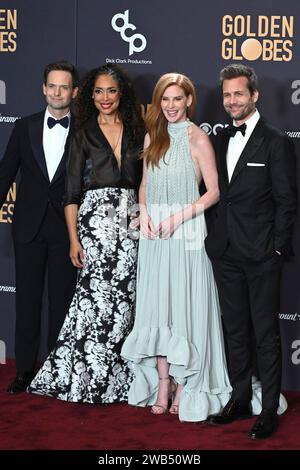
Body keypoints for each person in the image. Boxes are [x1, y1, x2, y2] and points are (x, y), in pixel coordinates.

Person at [28, 64, 145, 403]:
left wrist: (142, 212)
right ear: (89, 96)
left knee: (124, 303)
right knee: (94, 302)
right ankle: (88, 379)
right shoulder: (82, 133)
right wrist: (74, 239)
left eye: (110, 90)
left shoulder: (137, 130)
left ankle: (123, 382)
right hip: (94, 223)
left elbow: (146, 180)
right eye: (98, 91)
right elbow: (71, 194)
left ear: (120, 93)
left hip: (131, 222)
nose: (104, 98)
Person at [121, 72, 232, 422]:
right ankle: (164, 384)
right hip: (155, 238)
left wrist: (176, 218)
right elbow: (143, 186)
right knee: (158, 313)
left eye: (177, 99)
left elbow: (213, 192)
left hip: (185, 235)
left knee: (184, 312)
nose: (170, 106)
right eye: (164, 100)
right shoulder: (154, 136)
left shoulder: (198, 138)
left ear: (188, 101)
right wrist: (146, 216)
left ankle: (186, 387)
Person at [205, 64, 297, 439]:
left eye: (238, 94)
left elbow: (287, 201)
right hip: (225, 251)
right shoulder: (221, 139)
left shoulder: (276, 142)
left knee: (265, 333)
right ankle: (240, 398)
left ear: (254, 96)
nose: (231, 101)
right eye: (227, 95)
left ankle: (269, 410)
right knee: (235, 330)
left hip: (261, 255)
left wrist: (275, 249)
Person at [0, 60, 79, 394]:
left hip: (67, 230)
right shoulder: (24, 127)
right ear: (44, 89)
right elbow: (5, 173)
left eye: (65, 87)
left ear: (74, 92)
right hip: (28, 228)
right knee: (27, 300)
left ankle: (56, 370)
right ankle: (24, 371)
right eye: (53, 86)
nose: (58, 92)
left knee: (62, 302)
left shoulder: (85, 131)